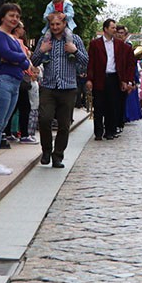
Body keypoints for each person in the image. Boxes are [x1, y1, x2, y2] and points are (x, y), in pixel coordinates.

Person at [31, 12, 87, 169]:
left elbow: (86, 62)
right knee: (44, 119)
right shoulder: (45, 40)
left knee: (64, 125)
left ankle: (58, 156)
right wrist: (41, 50)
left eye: (58, 24)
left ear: (64, 24)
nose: (55, 27)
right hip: (48, 86)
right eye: (52, 25)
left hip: (68, 87)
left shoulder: (74, 40)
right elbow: (33, 62)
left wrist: (75, 51)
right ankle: (46, 151)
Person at [0, 3, 30, 176]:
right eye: (11, 15)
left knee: (2, 124)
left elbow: (23, 62)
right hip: (2, 81)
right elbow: (9, 55)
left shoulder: (11, 37)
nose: (14, 19)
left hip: (15, 82)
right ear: (2, 16)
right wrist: (20, 57)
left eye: (17, 17)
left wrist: (17, 58)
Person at [87, 19, 135, 143]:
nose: (115, 30)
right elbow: (91, 63)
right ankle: (98, 132)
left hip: (114, 77)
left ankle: (110, 131)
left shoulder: (119, 45)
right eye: (113, 28)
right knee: (98, 106)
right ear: (105, 29)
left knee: (112, 106)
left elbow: (126, 63)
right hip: (100, 77)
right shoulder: (95, 44)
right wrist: (89, 79)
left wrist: (126, 80)